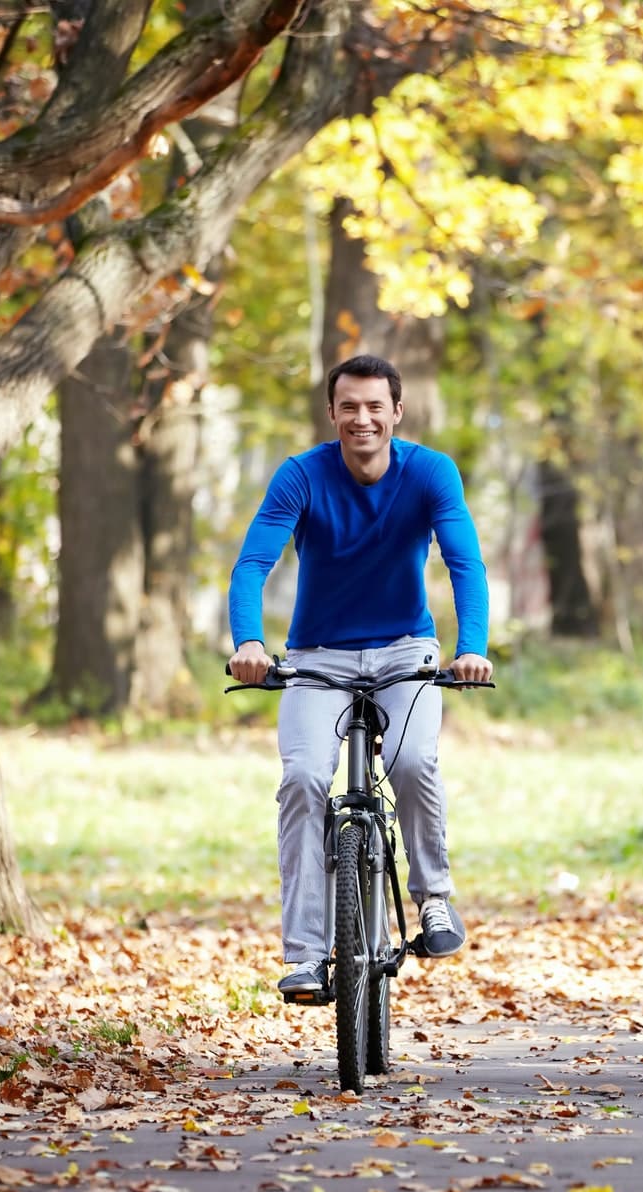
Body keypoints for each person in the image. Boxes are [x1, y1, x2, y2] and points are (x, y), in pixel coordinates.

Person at [227, 354, 493, 997]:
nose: (362, 418)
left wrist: (471, 648)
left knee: (412, 764)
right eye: (350, 406)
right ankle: (306, 955)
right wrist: (250, 641)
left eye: (376, 406)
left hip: (406, 652)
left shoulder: (430, 472)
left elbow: (466, 564)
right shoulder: (301, 476)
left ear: (397, 412)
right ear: (332, 412)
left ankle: (433, 897)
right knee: (302, 780)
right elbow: (250, 565)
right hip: (317, 657)